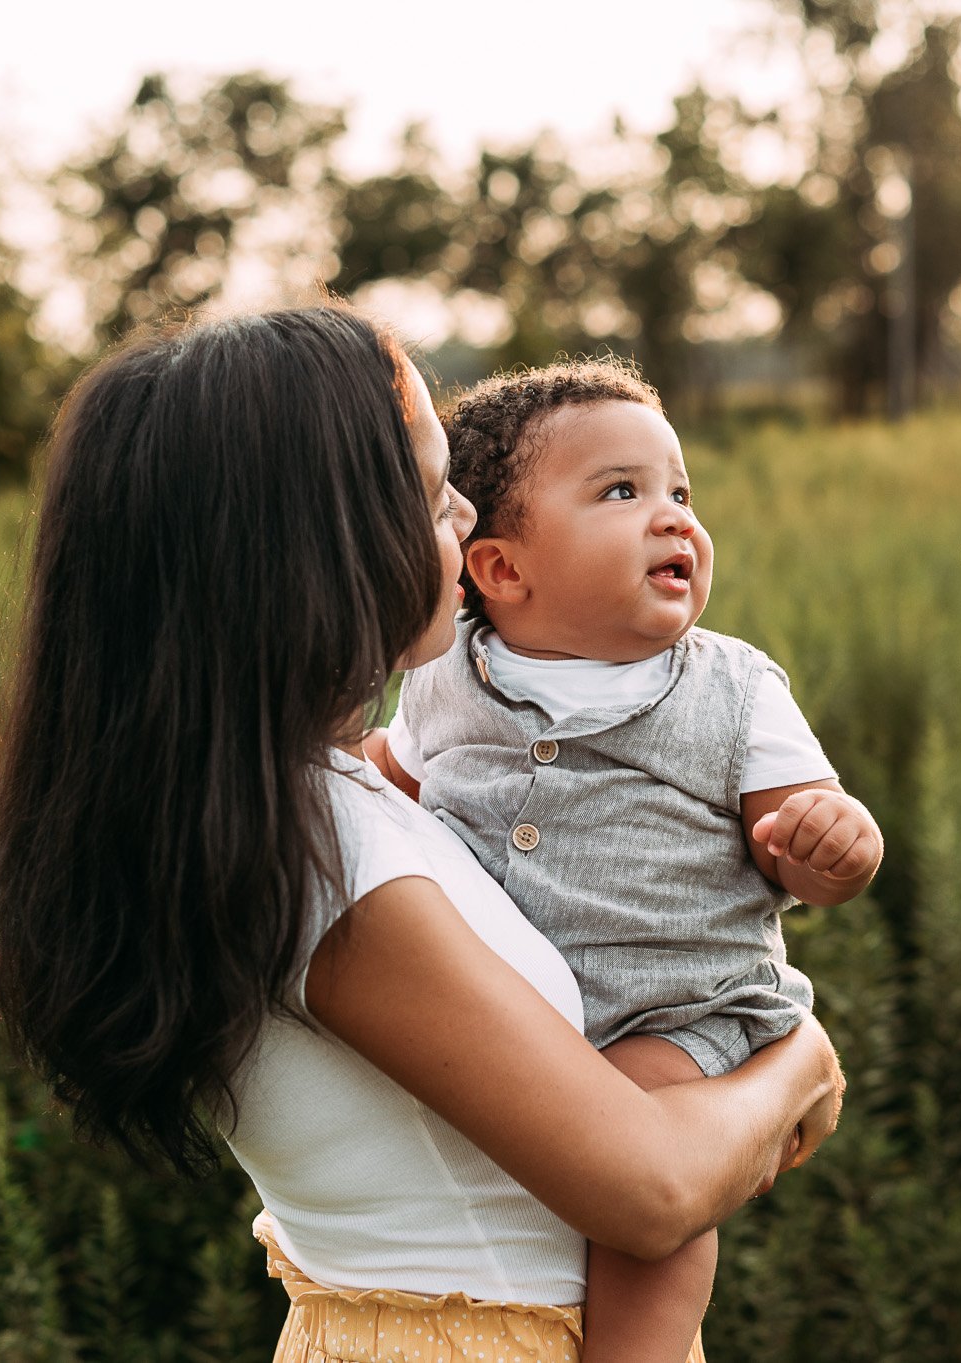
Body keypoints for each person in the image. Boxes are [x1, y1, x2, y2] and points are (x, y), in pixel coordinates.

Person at [0, 307, 843, 1363]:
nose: (466, 513)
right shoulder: (327, 859)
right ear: (315, 543)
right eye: (432, 490)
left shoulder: (298, 799)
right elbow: (652, 1191)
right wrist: (796, 1059)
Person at [365, 358, 882, 1362]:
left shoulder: (731, 689)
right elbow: (387, 779)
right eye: (621, 491)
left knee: (648, 1181)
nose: (671, 517)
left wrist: (829, 845)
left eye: (679, 492)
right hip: (519, 1013)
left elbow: (803, 839)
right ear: (503, 570)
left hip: (677, 1009)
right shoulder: (445, 680)